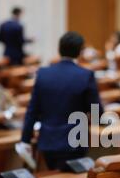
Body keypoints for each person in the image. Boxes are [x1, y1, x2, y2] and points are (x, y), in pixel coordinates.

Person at [19, 32, 104, 170]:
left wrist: (25, 140)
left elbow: (32, 110)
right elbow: (97, 114)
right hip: (75, 141)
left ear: (59, 49)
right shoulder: (85, 75)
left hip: (48, 142)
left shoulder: (43, 74)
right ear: (80, 52)